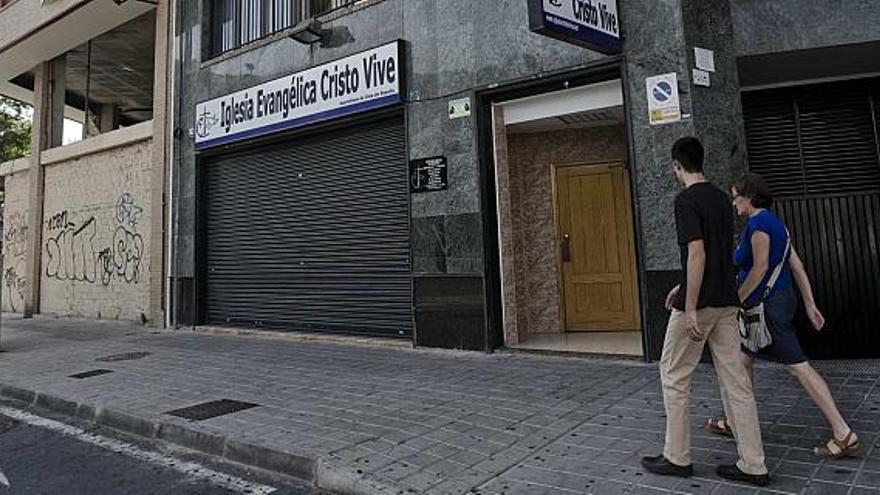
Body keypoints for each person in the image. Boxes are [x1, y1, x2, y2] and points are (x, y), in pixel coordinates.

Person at [641, 137, 770, 487]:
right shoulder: (719, 198)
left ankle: (677, 456)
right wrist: (682, 287)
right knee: (737, 382)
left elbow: (697, 254)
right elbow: (718, 253)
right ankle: (754, 463)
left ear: (676, 165)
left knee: (674, 374)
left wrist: (691, 304)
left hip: (699, 305)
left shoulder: (685, 200)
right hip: (727, 302)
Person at [705, 172, 860, 459]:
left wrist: (734, 300)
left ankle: (843, 432)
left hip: (767, 310)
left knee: (800, 367)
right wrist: (810, 305)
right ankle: (736, 420)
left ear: (749, 196)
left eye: (735, 196)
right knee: (742, 362)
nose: (733, 202)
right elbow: (797, 267)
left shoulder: (758, 224)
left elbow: (761, 268)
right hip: (777, 303)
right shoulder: (778, 226)